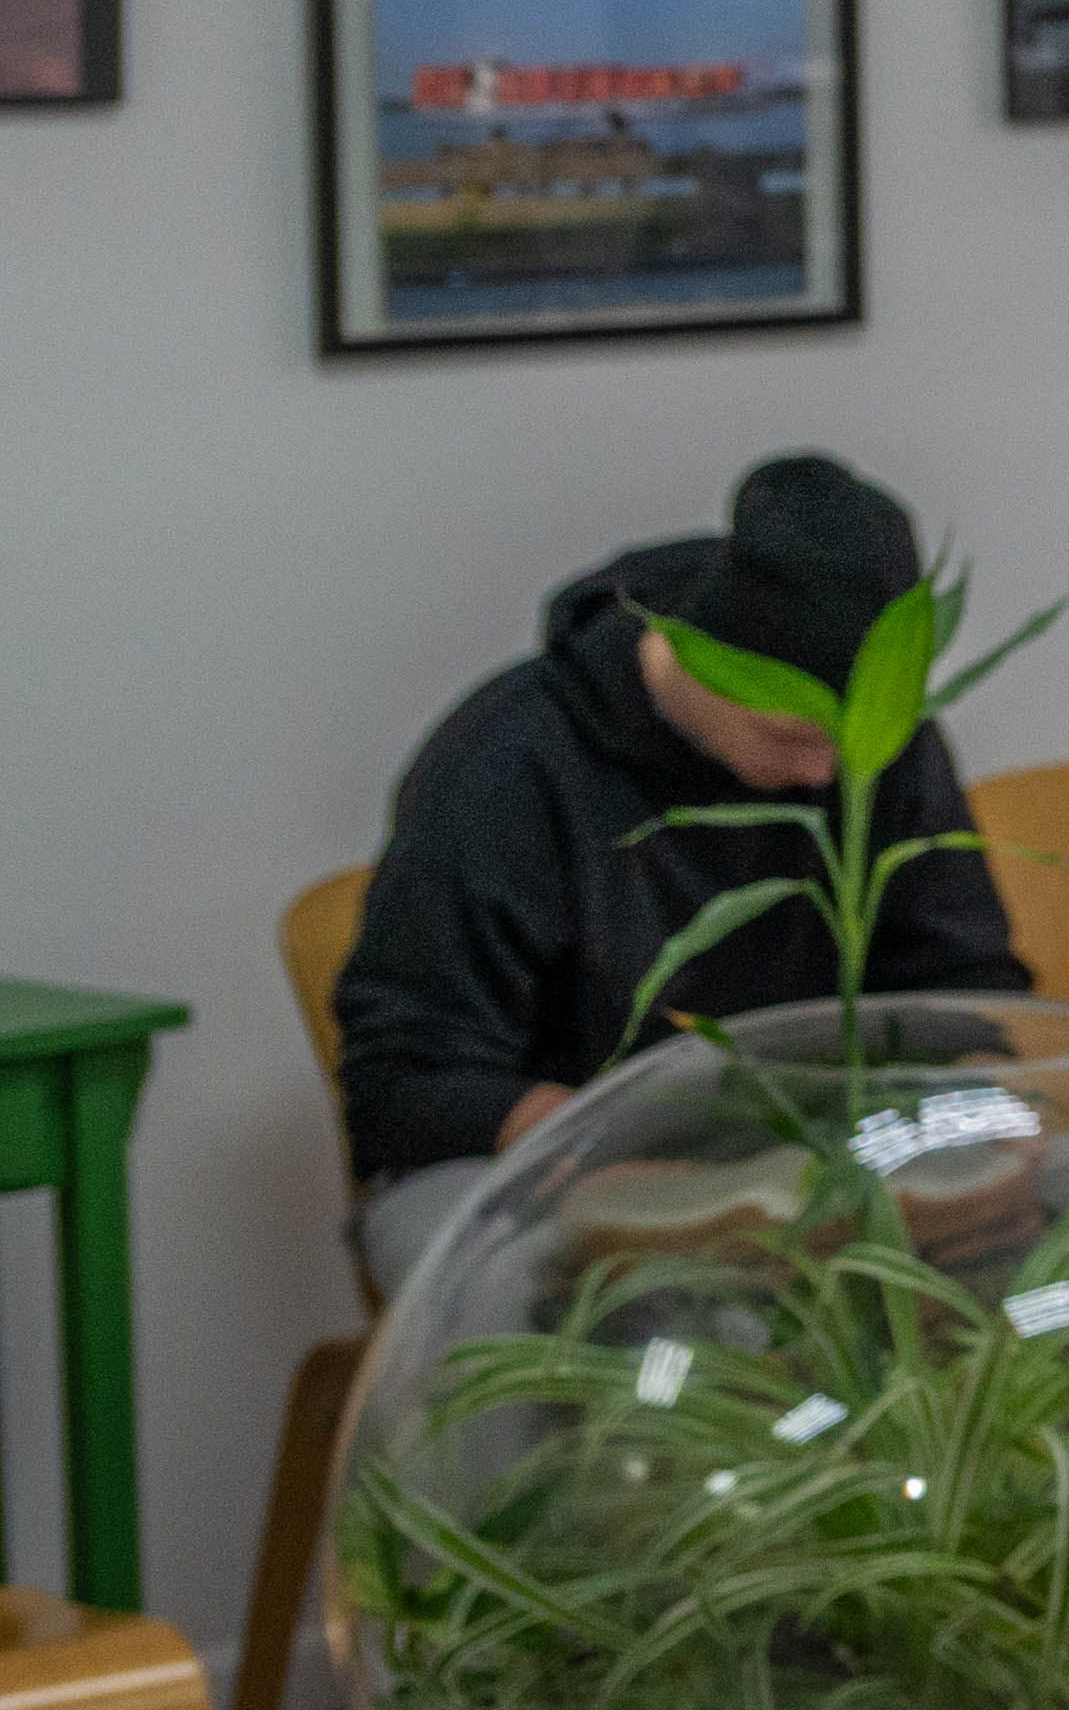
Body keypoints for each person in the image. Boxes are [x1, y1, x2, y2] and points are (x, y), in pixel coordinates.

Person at [333, 450, 1022, 1185]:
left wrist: (990, 1121)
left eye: (859, 742)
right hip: (542, 1156)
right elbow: (398, 1081)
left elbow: (962, 980)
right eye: (793, 736)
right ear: (707, 660)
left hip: (832, 1148)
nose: (826, 776)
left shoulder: (873, 747)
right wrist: (612, 1155)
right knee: (666, 1300)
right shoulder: (506, 762)